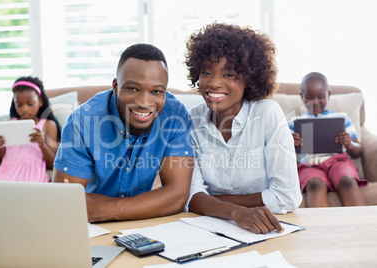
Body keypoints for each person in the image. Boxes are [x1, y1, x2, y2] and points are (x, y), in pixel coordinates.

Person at [53, 43, 194, 222]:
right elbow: (65, 202)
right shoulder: (83, 120)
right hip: (89, 226)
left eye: (156, 91)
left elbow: (177, 197)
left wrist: (104, 209)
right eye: (133, 89)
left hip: (135, 222)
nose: (144, 102)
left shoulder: (175, 115)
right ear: (115, 86)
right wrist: (147, 204)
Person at [184, 22, 302, 234]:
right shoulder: (191, 121)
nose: (214, 83)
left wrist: (212, 203)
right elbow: (191, 196)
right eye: (206, 72)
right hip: (209, 230)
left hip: (267, 229)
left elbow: (287, 196)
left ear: (249, 77)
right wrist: (236, 213)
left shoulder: (267, 114)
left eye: (228, 74)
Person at [288, 72, 367, 207]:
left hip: (339, 162)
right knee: (314, 184)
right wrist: (290, 144)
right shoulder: (295, 122)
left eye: (320, 97)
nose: (315, 102)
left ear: (328, 95)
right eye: (309, 97)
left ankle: (361, 225)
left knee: (347, 181)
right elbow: (283, 154)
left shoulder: (342, 119)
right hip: (309, 164)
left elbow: (358, 150)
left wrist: (349, 144)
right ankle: (322, 227)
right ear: (301, 96)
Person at [0, 76, 61, 182]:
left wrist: (42, 145)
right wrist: (0, 148)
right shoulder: (8, 124)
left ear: (40, 101)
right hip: (5, 171)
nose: (24, 109)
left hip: (32, 173)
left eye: (30, 104)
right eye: (19, 105)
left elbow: (53, 164)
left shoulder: (48, 125)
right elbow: (0, 161)